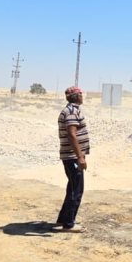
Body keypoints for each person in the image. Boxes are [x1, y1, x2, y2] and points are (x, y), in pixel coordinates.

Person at [54, 86, 89, 232]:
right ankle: (68, 224)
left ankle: (63, 219)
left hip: (72, 156)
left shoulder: (72, 110)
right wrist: (80, 157)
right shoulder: (71, 112)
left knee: (72, 188)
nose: (82, 96)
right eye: (81, 93)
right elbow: (72, 134)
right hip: (72, 157)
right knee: (77, 189)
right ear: (77, 96)